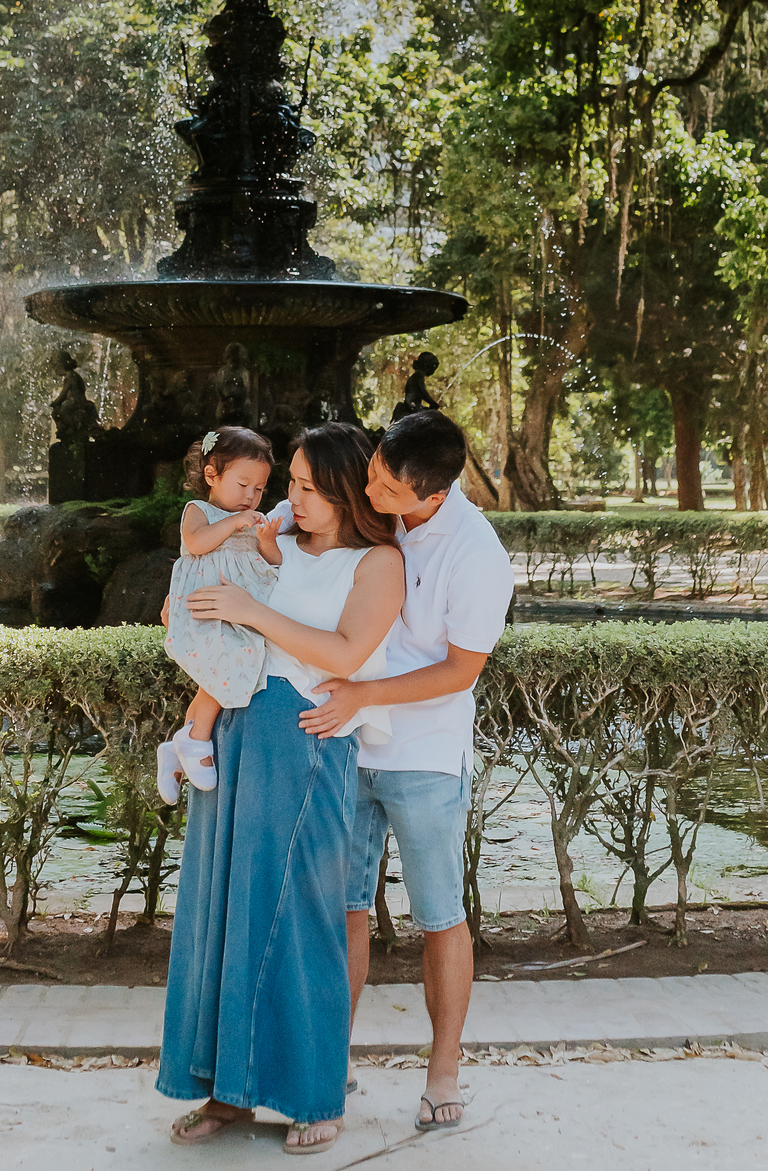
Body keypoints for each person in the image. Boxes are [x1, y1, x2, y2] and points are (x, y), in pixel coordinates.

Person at [157, 422, 405, 1154]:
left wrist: (249, 611)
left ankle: (312, 1094)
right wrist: (187, 611)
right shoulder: (273, 542)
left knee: (301, 914)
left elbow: (347, 650)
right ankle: (226, 1090)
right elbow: (206, 596)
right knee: (221, 908)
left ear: (342, 489)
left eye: (303, 485)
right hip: (234, 728)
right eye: (287, 481)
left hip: (305, 736)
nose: (288, 497)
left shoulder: (377, 562)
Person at [298, 410, 514, 1133]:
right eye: (372, 468)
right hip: (350, 743)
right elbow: (295, 508)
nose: (369, 486)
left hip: (424, 754)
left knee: (439, 916)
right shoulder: (376, 500)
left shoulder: (476, 554)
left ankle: (443, 1068)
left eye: (384, 482)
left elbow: (460, 669)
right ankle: (330, 1062)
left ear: (428, 492)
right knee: (342, 908)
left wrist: (364, 692)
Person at [155, 425, 281, 802]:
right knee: (229, 659)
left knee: (237, 660)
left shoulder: (251, 522)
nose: (251, 496)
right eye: (243, 484)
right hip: (207, 602)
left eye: (259, 489)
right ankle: (194, 740)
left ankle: (180, 744)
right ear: (212, 475)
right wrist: (234, 523)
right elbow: (195, 543)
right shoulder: (200, 510)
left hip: (241, 603)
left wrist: (267, 542)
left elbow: (275, 564)